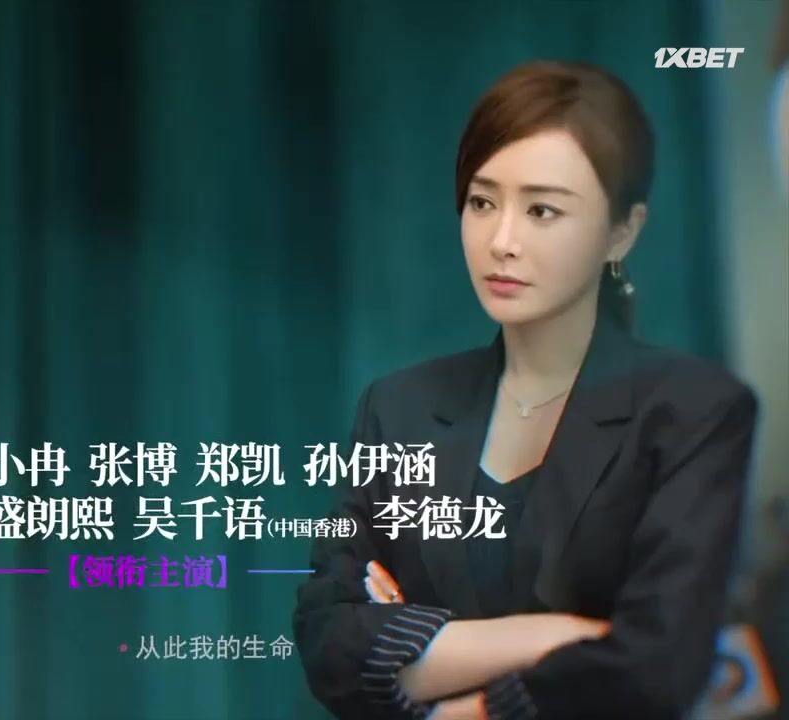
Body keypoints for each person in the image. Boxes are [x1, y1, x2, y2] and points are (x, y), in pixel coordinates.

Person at [291, 60, 761, 720]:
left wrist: (461, 703)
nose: (502, 241)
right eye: (483, 202)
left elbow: (654, 667)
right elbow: (327, 642)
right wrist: (556, 636)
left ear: (622, 230)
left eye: (542, 210)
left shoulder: (693, 411)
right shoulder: (397, 410)